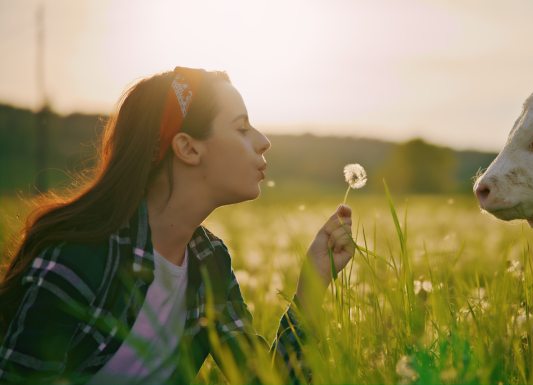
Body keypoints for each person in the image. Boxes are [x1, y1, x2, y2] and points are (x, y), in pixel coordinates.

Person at [0, 67, 355, 384]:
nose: (264, 141)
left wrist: (313, 282)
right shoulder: (81, 255)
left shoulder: (208, 262)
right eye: (242, 128)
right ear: (187, 148)